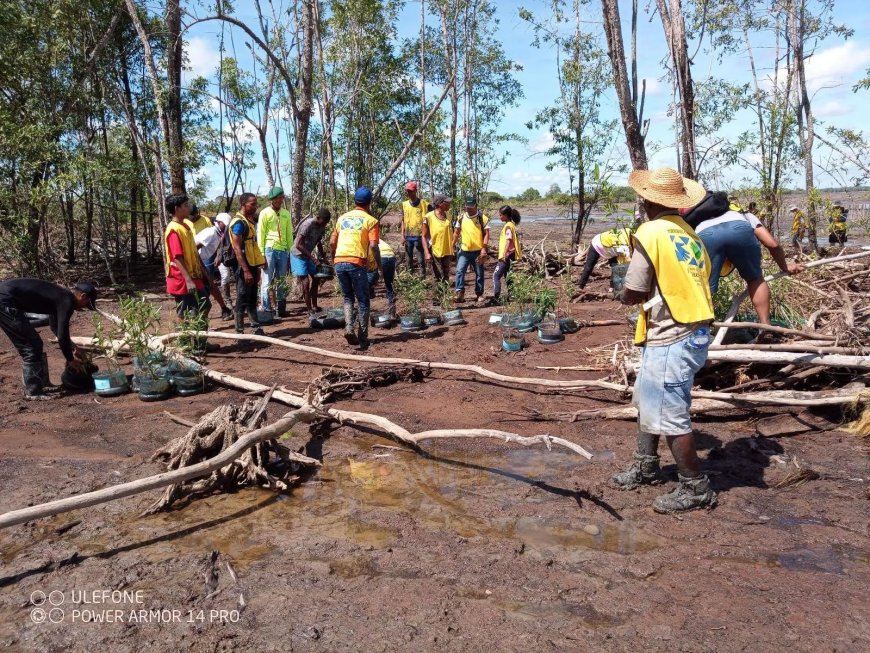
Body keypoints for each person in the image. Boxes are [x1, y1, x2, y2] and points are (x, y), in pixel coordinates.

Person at [612, 166, 717, 514]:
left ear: (646, 200)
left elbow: (636, 289)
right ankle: (646, 465)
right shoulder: (690, 234)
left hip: (674, 333)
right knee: (646, 400)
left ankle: (695, 487)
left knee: (671, 414)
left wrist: (622, 294)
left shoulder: (651, 231)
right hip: (692, 329)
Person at [691, 196, 803, 326]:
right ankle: (765, 326)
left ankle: (700, 330)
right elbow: (772, 244)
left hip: (705, 234)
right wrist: (785, 267)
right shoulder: (744, 215)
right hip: (739, 229)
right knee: (755, 279)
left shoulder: (698, 223)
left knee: (705, 287)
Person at [0, 279, 96, 399]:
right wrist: (70, 359)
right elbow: (62, 334)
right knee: (31, 346)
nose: (85, 307)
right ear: (83, 296)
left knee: (35, 344)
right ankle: (33, 392)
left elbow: (55, 327)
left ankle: (42, 384)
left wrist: (73, 347)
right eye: (88, 304)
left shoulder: (61, 297)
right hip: (5, 301)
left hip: (6, 298)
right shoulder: (67, 301)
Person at [330, 187, 381, 350]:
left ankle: (349, 328)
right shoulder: (371, 221)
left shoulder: (342, 218)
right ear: (369, 202)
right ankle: (363, 338)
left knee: (347, 297)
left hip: (339, 261)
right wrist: (378, 265)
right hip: (356, 262)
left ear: (355, 201)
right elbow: (373, 245)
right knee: (364, 300)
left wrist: (334, 259)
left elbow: (332, 241)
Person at [163, 194, 213, 337]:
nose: (188, 207)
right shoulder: (174, 230)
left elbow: (192, 252)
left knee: (204, 306)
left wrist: (203, 272)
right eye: (185, 205)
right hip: (182, 278)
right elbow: (177, 257)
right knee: (184, 311)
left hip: (193, 274)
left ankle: (200, 342)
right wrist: (188, 280)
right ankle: (184, 344)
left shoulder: (185, 226)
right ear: (176, 209)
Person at [230, 192, 268, 335]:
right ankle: (239, 331)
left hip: (252, 265)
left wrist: (257, 266)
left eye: (256, 204)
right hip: (243, 266)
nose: (255, 207)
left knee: (252, 296)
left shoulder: (248, 221)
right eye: (252, 204)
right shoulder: (239, 223)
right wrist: (245, 270)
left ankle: (255, 327)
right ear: (243, 204)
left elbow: (252, 246)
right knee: (242, 297)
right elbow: (237, 248)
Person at [258, 186, 294, 317]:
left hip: (283, 250)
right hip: (269, 249)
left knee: (282, 280)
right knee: (266, 279)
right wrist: (261, 254)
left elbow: (289, 234)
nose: (279, 200)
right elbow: (260, 234)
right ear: (272, 199)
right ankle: (267, 309)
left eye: (281, 197)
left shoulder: (285, 213)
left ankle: (281, 309)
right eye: (277, 198)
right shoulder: (265, 213)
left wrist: (290, 253)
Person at [194, 212, 234, 321]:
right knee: (207, 288)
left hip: (202, 261)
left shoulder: (219, 233)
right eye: (224, 224)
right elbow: (194, 249)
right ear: (218, 222)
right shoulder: (210, 233)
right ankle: (201, 320)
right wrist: (201, 266)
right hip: (197, 263)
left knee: (211, 285)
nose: (225, 226)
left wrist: (218, 257)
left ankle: (224, 309)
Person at [291, 208, 331, 314]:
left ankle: (314, 306)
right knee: (305, 282)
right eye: (324, 222)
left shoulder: (322, 227)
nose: (325, 224)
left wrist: (324, 258)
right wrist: (313, 258)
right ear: (318, 218)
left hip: (307, 255)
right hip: (298, 255)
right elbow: (298, 245)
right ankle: (309, 310)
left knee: (316, 278)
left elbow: (319, 243)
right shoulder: (307, 225)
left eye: (327, 223)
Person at [452, 195, 490, 303]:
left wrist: (484, 249)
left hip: (478, 251)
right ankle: (460, 293)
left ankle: (479, 294)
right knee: (459, 271)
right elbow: (456, 233)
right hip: (464, 251)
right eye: (467, 206)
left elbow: (487, 235)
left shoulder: (482, 218)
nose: (468, 209)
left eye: (471, 207)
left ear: (475, 205)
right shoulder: (461, 217)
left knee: (479, 273)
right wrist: (452, 245)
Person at [491, 205, 522, 304]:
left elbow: (508, 241)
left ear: (506, 215)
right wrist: (498, 247)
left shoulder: (508, 226)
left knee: (496, 276)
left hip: (506, 256)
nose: (499, 217)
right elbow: (508, 241)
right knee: (508, 276)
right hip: (510, 255)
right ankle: (512, 295)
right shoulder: (511, 224)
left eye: (500, 215)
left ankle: (496, 298)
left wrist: (504, 254)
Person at [421, 194, 454, 282]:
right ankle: (438, 295)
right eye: (447, 203)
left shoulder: (448, 216)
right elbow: (423, 236)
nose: (449, 204)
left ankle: (445, 295)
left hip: (447, 251)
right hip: (435, 251)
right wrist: (427, 253)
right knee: (438, 276)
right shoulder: (428, 217)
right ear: (439, 204)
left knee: (446, 276)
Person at [401, 181, 430, 277]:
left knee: (421, 259)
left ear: (416, 191)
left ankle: (422, 278)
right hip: (408, 236)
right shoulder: (404, 204)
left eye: (411, 191)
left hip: (419, 236)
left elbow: (428, 220)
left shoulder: (423, 204)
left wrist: (427, 236)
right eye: (408, 191)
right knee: (408, 259)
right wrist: (402, 235)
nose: (409, 193)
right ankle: (410, 278)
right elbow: (403, 220)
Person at [368, 231, 397, 318]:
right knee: (389, 284)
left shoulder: (367, 240)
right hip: (391, 257)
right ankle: (392, 310)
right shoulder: (378, 239)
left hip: (381, 256)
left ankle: (364, 310)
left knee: (367, 281)